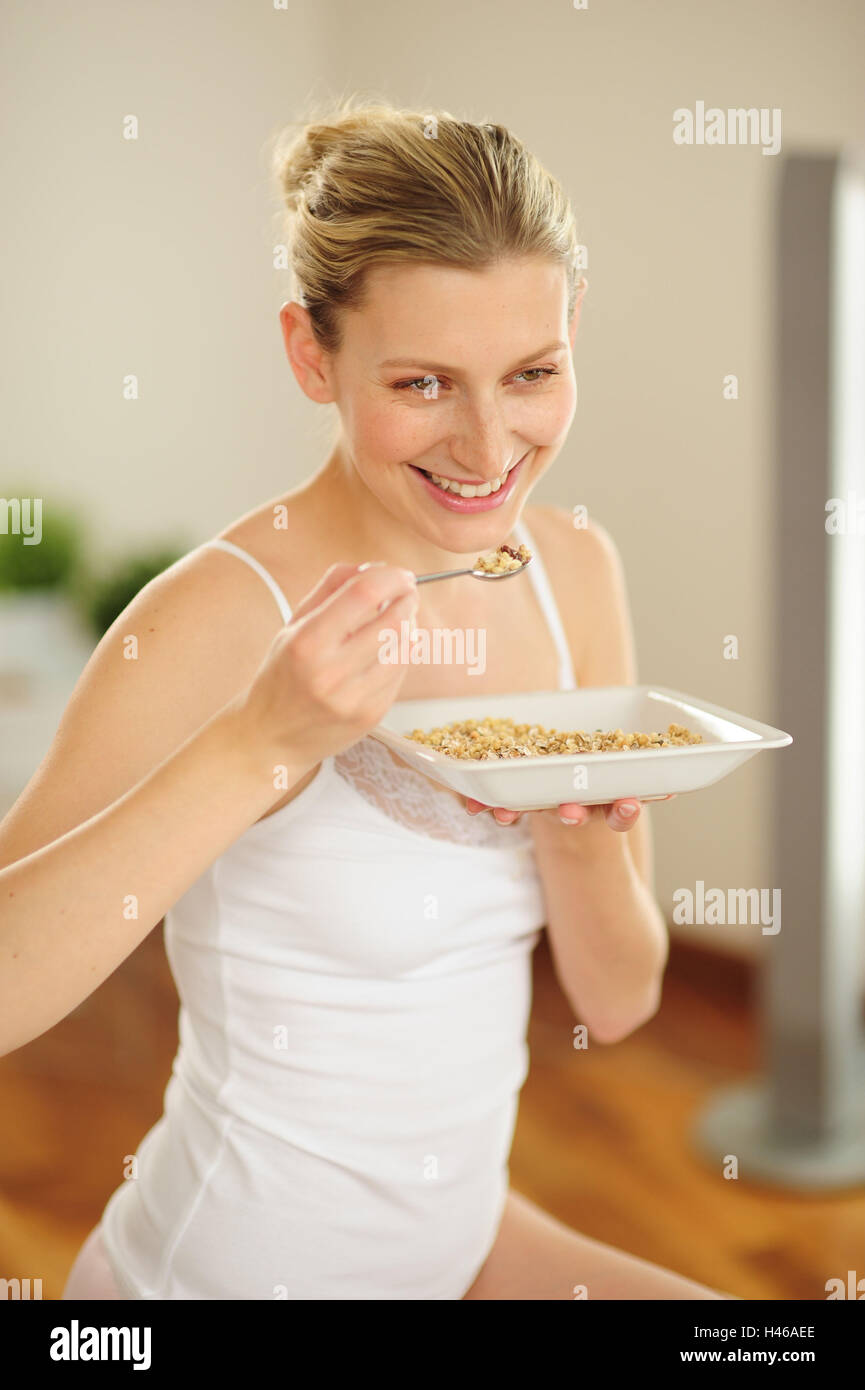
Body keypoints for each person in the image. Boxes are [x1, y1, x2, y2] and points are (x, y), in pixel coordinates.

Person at [0, 98, 730, 1300]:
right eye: (425, 381)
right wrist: (259, 744)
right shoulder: (218, 614)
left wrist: (583, 836)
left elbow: (621, 997)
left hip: (459, 1240)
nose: (489, 443)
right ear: (310, 354)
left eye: (532, 372)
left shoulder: (573, 576)